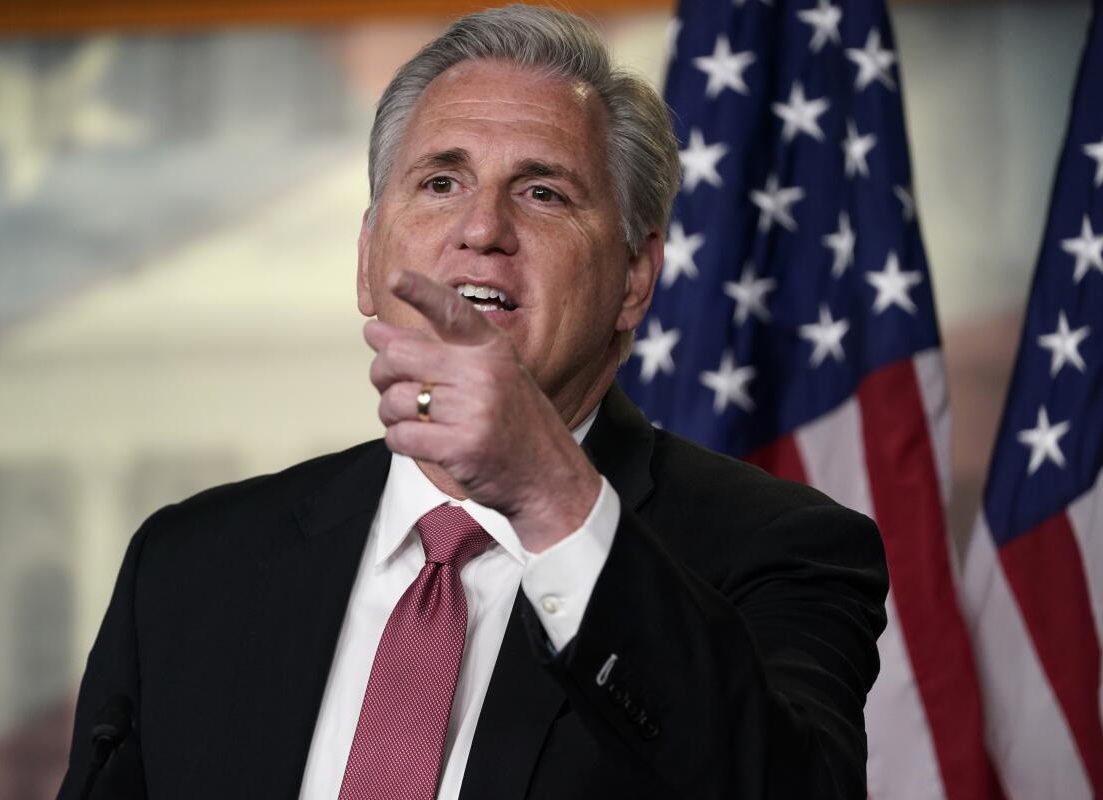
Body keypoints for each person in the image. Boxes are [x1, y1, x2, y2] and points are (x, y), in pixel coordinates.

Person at [58, 6, 888, 799]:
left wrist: (549, 494)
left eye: (543, 193)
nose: (482, 228)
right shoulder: (188, 571)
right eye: (441, 181)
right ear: (366, 259)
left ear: (635, 278)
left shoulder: (786, 552)